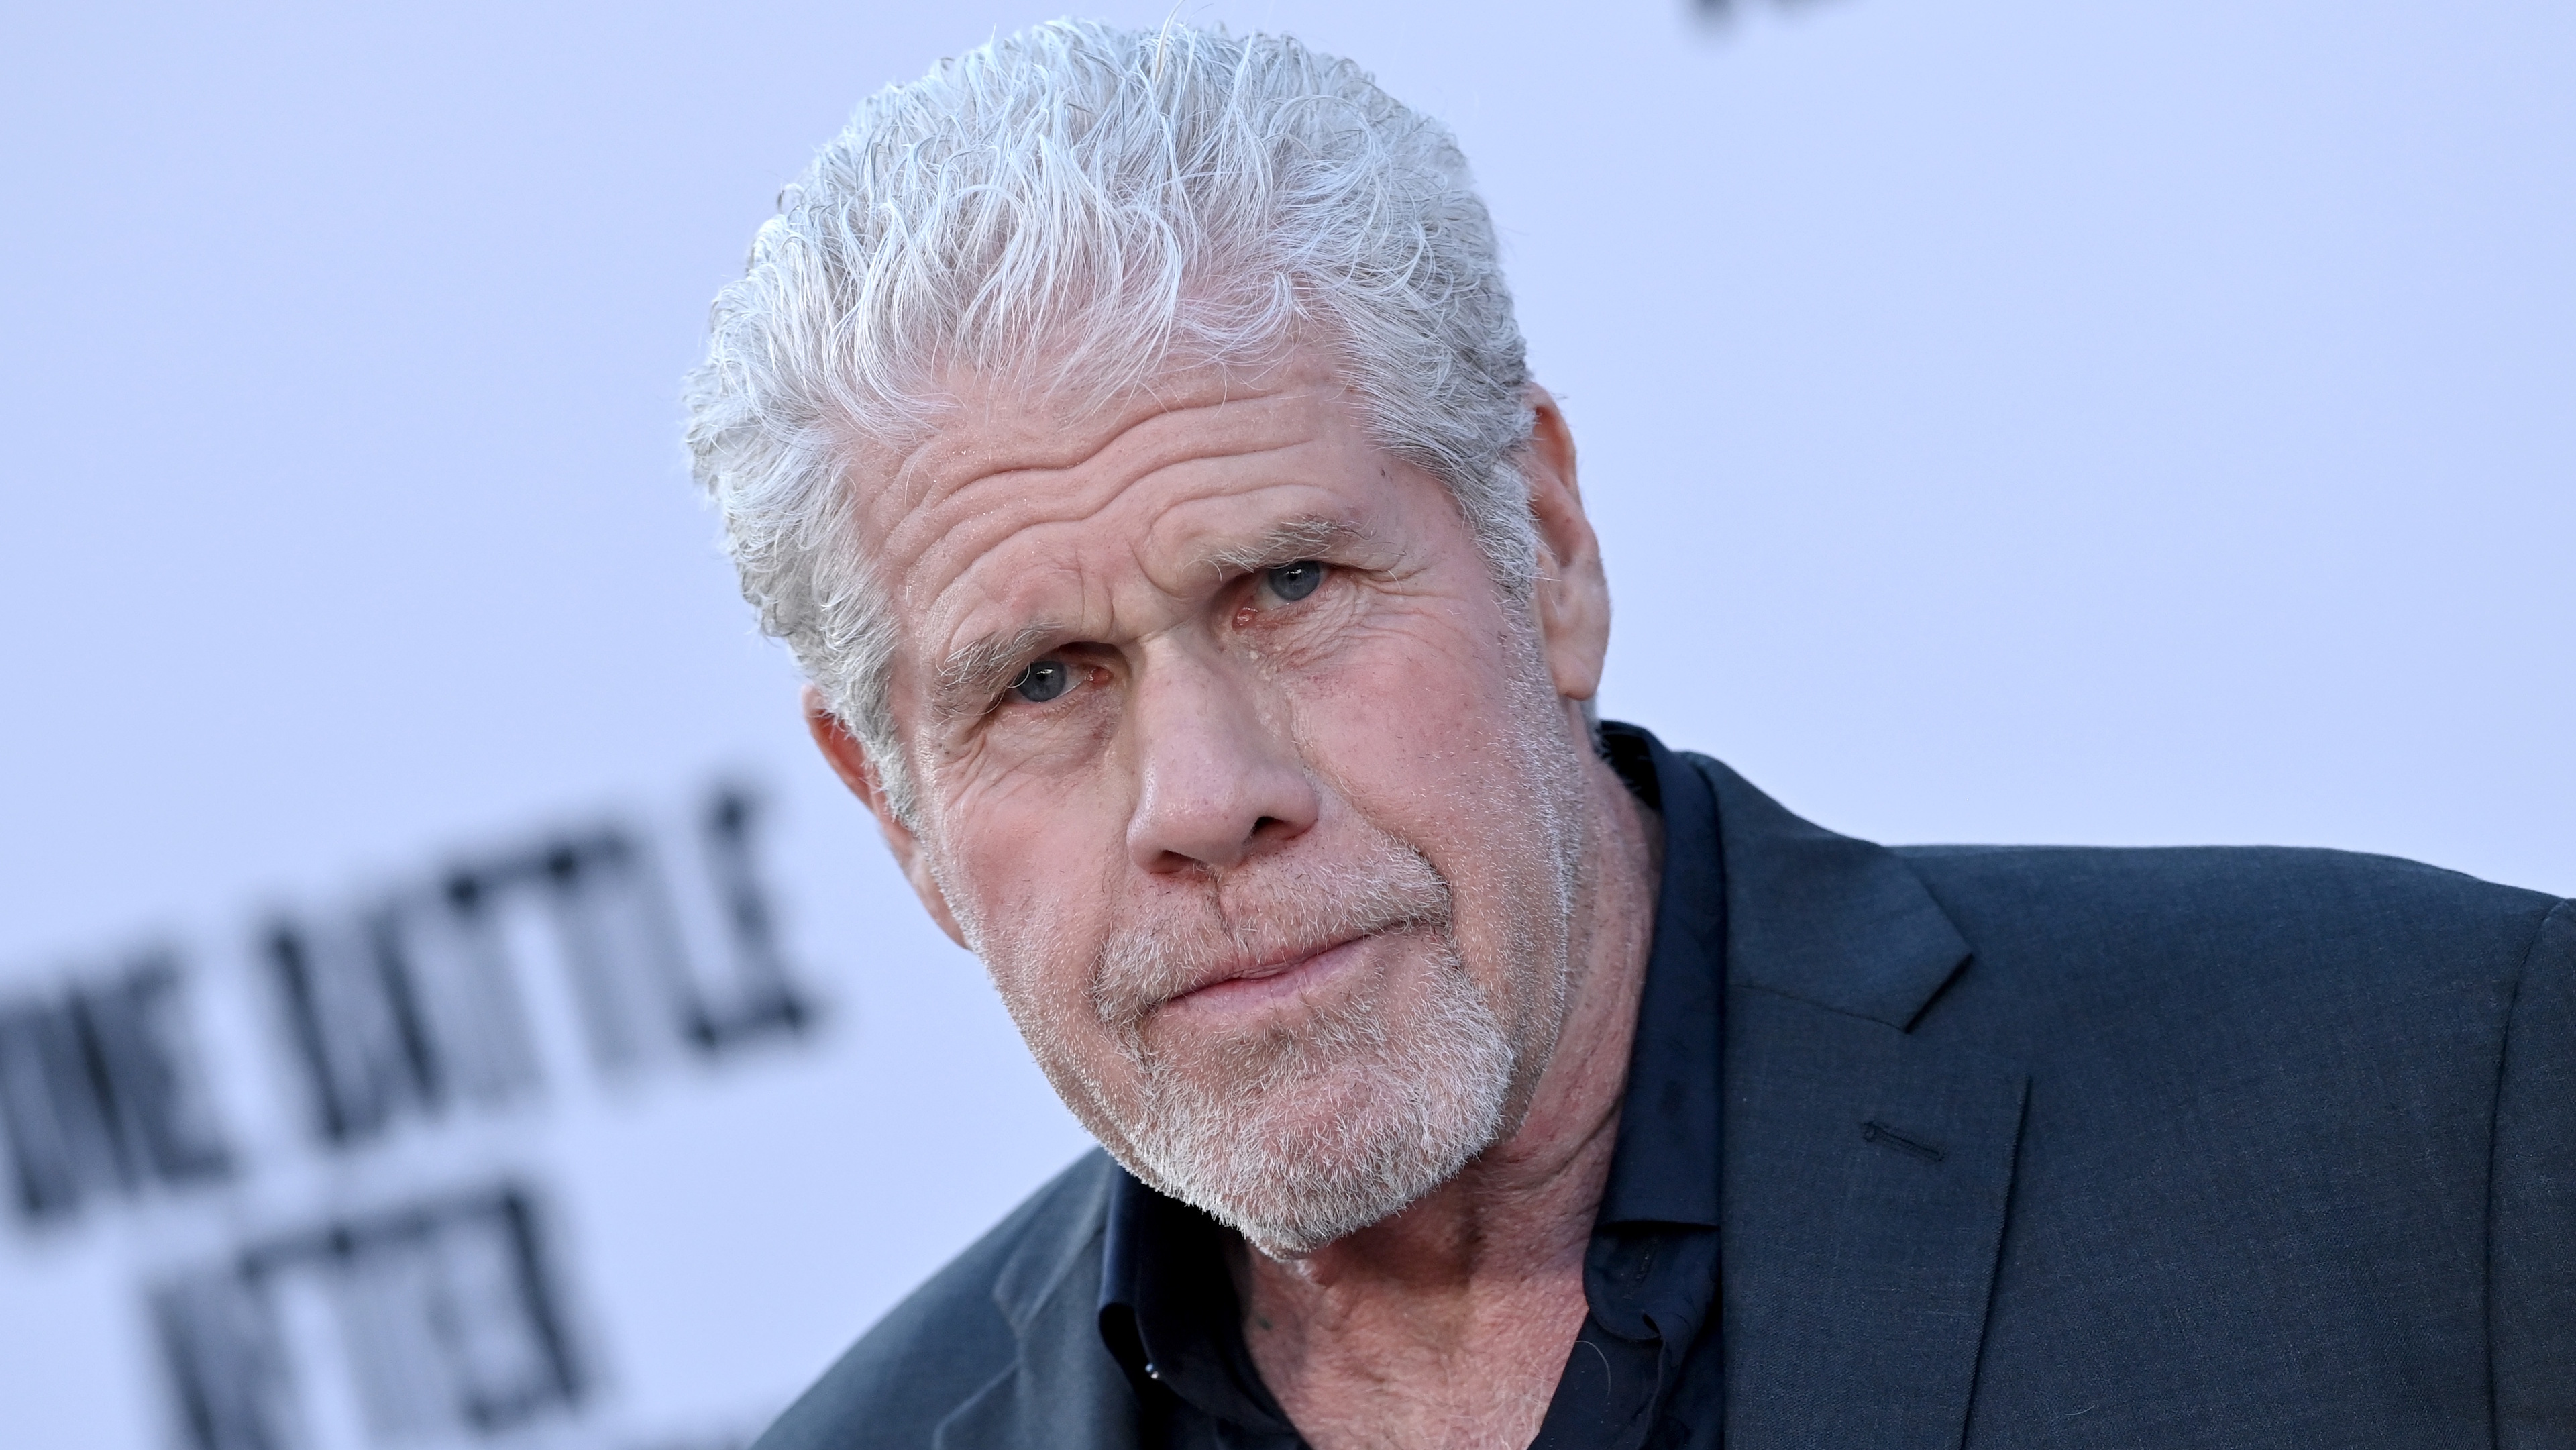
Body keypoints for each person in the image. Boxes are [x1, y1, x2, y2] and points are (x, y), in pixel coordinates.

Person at [682, 21, 2573, 1449]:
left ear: (1550, 547)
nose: (1204, 796)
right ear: (900, 815)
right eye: (1042, 682)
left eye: (1288, 583)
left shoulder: (2430, 1111)